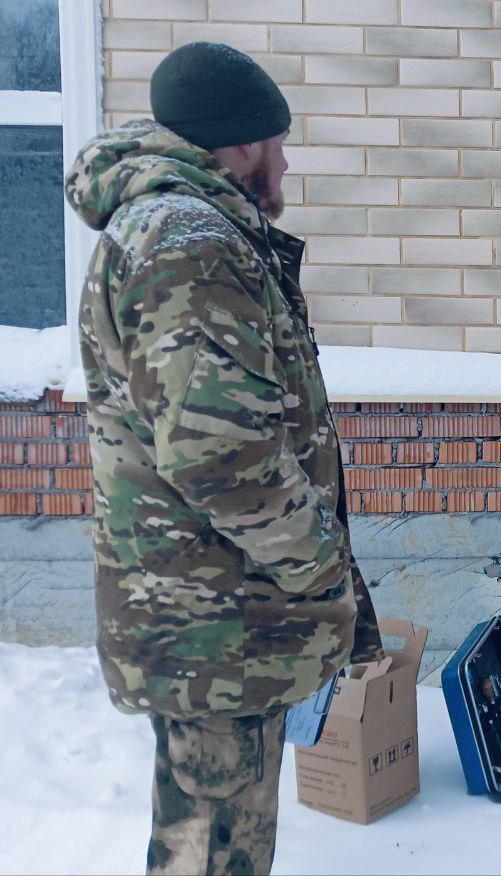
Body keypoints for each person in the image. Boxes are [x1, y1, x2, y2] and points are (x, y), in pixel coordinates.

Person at [65, 42, 383, 875]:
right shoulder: (190, 242)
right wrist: (323, 570)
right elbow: (221, 457)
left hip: (220, 616)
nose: (285, 160)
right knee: (210, 851)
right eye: (277, 142)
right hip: (219, 621)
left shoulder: (178, 230)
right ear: (239, 144)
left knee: (217, 840)